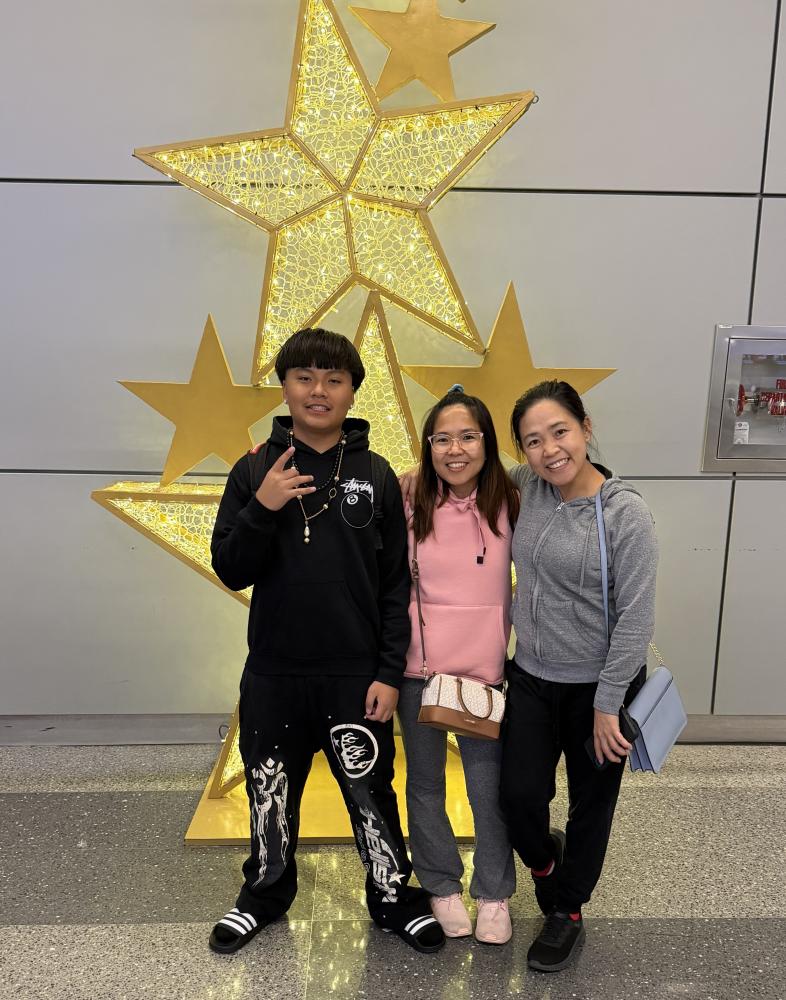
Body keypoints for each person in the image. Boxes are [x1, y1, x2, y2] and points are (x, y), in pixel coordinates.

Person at [208, 327, 445, 956]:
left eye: (333, 379)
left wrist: (388, 672)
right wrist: (262, 507)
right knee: (269, 789)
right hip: (274, 673)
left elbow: (395, 584)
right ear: (285, 386)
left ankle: (392, 897)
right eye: (305, 377)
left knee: (371, 790)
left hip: (354, 676)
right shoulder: (253, 469)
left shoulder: (375, 473)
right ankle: (263, 894)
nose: (319, 390)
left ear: (351, 391)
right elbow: (230, 568)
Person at [501, 379, 658, 972]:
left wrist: (608, 704)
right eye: (533, 440)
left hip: (600, 687)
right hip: (531, 676)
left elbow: (637, 615)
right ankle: (545, 862)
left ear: (586, 428)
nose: (549, 450)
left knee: (591, 805)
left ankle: (567, 909)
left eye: (559, 431)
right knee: (518, 798)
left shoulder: (625, 513)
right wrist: (417, 476)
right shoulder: (527, 486)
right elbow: (467, 471)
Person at [398, 387, 520, 945]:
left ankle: (494, 893)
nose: (455, 449)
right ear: (428, 446)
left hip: (483, 676)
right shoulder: (409, 499)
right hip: (418, 672)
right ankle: (441, 885)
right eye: (442, 438)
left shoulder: (512, 500)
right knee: (424, 785)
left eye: (468, 437)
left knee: (488, 790)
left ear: (487, 442)